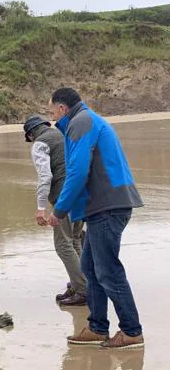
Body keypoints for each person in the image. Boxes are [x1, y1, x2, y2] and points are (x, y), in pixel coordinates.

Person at [46, 88, 144, 349]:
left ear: (63, 109)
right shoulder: (84, 120)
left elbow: (77, 173)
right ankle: (98, 327)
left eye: (52, 111)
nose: (52, 117)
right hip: (103, 205)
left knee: (107, 270)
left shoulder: (81, 122)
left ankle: (132, 331)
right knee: (90, 268)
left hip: (108, 206)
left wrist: (59, 211)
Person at [23, 115, 87, 306]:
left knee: (63, 245)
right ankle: (80, 285)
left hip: (64, 197)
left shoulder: (40, 144)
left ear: (31, 134)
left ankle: (83, 290)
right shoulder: (64, 135)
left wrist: (41, 207)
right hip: (82, 193)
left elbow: (45, 176)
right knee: (75, 240)